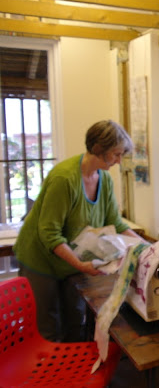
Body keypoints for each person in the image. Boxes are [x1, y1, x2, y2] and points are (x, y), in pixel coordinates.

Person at [13, 120, 144, 342]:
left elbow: (115, 223)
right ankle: (51, 365)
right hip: (40, 259)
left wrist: (147, 247)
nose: (119, 161)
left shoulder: (104, 180)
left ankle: (73, 363)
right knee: (48, 326)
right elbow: (49, 234)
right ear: (99, 149)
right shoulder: (64, 179)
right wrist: (80, 265)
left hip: (71, 259)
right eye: (116, 154)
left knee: (75, 320)